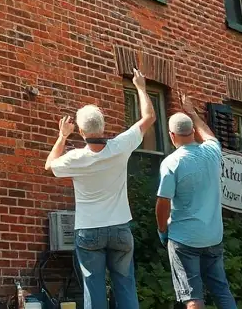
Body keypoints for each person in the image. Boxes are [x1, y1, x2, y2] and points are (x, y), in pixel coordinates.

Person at [45, 64, 156, 309]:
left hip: (89, 230)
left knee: (93, 288)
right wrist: (140, 88)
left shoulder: (77, 158)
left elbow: (49, 165)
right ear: (103, 126)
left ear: (82, 131)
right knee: (125, 284)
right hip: (120, 228)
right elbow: (149, 118)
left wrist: (62, 136)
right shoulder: (120, 146)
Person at [155, 94, 237, 309]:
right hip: (213, 236)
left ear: (172, 136)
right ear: (192, 132)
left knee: (192, 295)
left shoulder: (171, 162)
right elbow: (208, 135)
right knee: (221, 289)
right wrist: (191, 111)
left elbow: (163, 202)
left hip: (184, 239)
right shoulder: (212, 151)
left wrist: (163, 230)